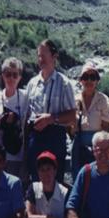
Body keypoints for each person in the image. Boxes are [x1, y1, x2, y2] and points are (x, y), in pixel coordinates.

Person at [26, 39, 77, 182]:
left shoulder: (64, 83)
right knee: (36, 182)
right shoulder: (32, 84)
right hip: (35, 138)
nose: (40, 59)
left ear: (54, 57)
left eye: (44, 55)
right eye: (39, 56)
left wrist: (51, 118)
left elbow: (72, 116)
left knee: (55, 183)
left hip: (55, 138)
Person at [0, 57, 29, 182]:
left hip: (17, 157)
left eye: (15, 75)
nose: (11, 78)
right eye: (8, 74)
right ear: (3, 76)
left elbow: (28, 128)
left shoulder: (26, 97)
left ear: (20, 77)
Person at [70, 63, 109, 179]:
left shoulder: (104, 100)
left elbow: (106, 128)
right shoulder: (74, 100)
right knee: (79, 178)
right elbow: (70, 130)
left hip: (98, 146)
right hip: (78, 144)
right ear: (80, 80)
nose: (89, 80)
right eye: (85, 77)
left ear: (97, 80)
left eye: (92, 77)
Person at [25, 151, 69, 218]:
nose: (45, 174)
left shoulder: (65, 192)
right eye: (42, 170)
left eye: (48, 169)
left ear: (55, 171)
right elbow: (28, 215)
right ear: (38, 173)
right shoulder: (33, 188)